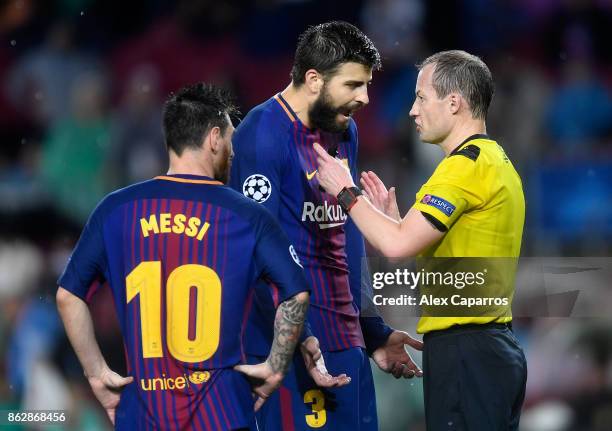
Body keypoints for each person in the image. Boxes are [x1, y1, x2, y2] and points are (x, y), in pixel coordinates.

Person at [56, 83, 312, 430]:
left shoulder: (116, 210)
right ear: (214, 138)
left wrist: (97, 374)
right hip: (223, 415)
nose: (233, 152)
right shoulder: (247, 216)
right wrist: (275, 366)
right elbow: (295, 293)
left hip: (144, 416)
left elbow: (68, 296)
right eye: (231, 140)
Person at [315, 50, 528, 430]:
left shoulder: (463, 167)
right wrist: (393, 223)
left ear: (454, 102)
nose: (412, 110)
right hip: (487, 350)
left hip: (468, 352)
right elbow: (417, 252)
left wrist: (346, 192)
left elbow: (396, 245)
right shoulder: (492, 160)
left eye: (421, 97)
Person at [230, 21, 423, 431]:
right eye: (353, 85)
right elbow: (254, 254)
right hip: (288, 349)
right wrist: (299, 337)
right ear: (314, 79)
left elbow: (345, 236)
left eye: (367, 85)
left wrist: (370, 329)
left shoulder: (343, 130)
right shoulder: (261, 136)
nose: (365, 98)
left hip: (345, 342)